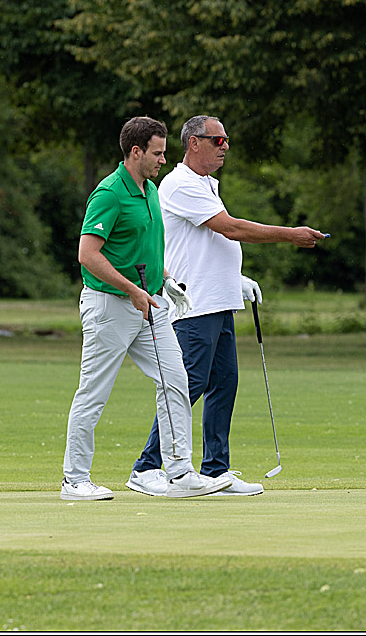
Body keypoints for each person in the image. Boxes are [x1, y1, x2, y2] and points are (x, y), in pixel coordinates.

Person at [126, 115, 326, 497]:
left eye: (226, 140)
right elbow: (229, 228)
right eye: (217, 141)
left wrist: (235, 280)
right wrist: (290, 235)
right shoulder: (180, 183)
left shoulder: (206, 184)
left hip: (218, 299)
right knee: (187, 384)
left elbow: (207, 243)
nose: (225, 147)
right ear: (193, 143)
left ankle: (215, 470)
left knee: (224, 384)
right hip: (192, 302)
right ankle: (147, 465)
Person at [61, 116, 232, 501]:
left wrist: (167, 280)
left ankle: (179, 472)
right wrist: (132, 290)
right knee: (94, 392)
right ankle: (74, 479)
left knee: (176, 381)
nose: (163, 158)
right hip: (110, 305)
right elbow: (88, 254)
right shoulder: (109, 193)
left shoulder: (150, 190)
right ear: (135, 151)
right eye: (157, 152)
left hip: (150, 304)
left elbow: (147, 250)